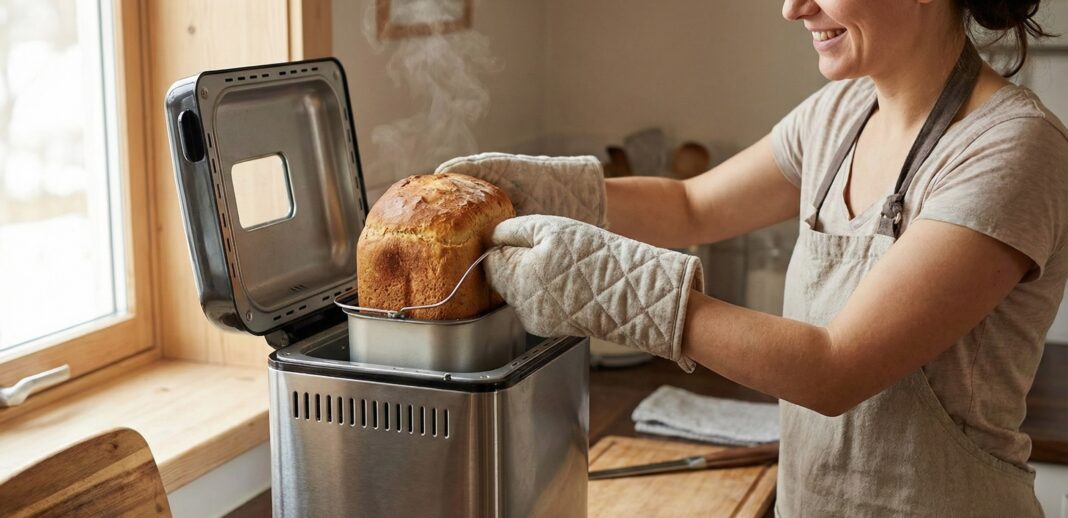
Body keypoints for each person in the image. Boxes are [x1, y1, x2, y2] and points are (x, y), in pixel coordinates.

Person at [437, 0, 1068, 515]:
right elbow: (689, 205)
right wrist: (537, 191)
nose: (794, 8)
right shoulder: (840, 115)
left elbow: (835, 370)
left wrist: (622, 290)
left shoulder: (1012, 148)